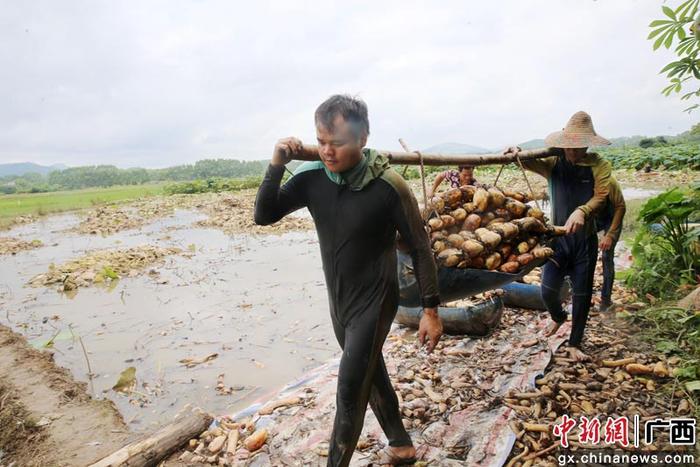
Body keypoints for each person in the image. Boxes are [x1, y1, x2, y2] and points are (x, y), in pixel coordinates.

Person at [254, 94, 443, 466]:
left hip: (375, 299)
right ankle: (401, 444)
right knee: (370, 373)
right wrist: (276, 164)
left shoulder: (389, 186)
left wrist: (430, 310)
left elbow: (420, 248)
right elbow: (264, 215)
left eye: (336, 143)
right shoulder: (311, 179)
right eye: (321, 141)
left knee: (349, 390)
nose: (327, 151)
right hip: (339, 302)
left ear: (363, 139)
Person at [505, 111, 612, 362]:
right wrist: (516, 152)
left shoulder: (599, 165)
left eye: (577, 148)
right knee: (547, 290)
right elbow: (526, 162)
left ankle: (575, 343)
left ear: (587, 145)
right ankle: (558, 317)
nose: (572, 153)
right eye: (569, 148)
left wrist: (582, 211)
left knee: (582, 294)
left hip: (584, 241)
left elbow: (601, 195)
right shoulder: (553, 163)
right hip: (558, 240)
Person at [596, 176, 626, 312]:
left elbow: (621, 207)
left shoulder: (609, 180)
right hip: (595, 216)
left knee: (607, 257)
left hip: (612, 217)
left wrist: (609, 235)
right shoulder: (578, 178)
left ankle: (605, 300)